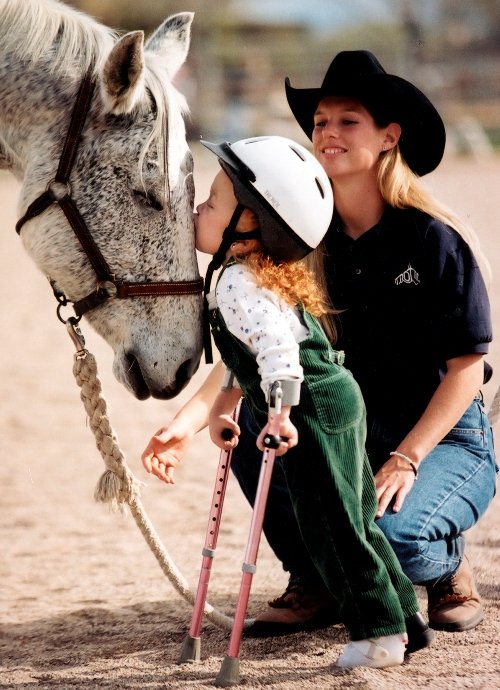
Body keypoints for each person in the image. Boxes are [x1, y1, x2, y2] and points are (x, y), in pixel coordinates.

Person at [143, 51, 496, 640]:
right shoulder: (303, 236)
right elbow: (266, 343)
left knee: (394, 543)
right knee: (263, 421)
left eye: (347, 120)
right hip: (348, 426)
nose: (328, 133)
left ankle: (446, 565)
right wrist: (190, 419)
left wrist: (406, 459)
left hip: (441, 438)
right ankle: (313, 579)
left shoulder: (435, 239)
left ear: (389, 137)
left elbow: (466, 370)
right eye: (321, 122)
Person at [143, 134, 431, 668]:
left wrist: (279, 413)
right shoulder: (249, 275)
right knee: (356, 515)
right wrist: (221, 407)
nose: (196, 211)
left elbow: (278, 353)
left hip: (310, 408)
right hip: (333, 397)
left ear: (248, 228)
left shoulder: (237, 286)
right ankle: (405, 618)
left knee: (329, 524)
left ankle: (380, 636)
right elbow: (248, 354)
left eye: (210, 205)